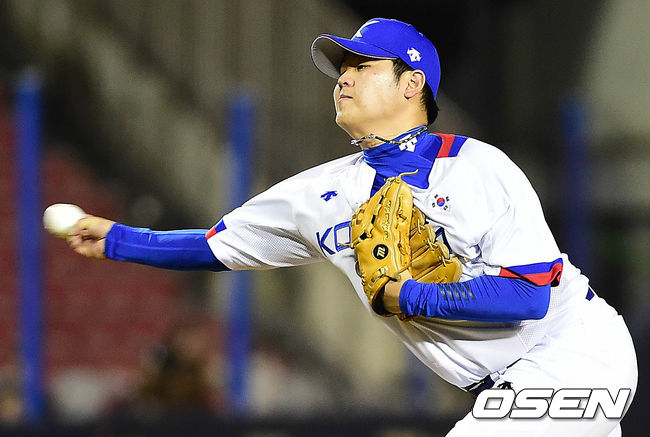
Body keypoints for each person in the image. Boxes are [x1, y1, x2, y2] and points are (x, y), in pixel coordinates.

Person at [67, 18, 637, 436]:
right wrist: (116, 240)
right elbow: (216, 247)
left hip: (571, 352)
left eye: (362, 66)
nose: (343, 79)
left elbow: (529, 296)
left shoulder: (478, 168)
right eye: (341, 70)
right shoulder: (319, 194)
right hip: (504, 384)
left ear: (412, 84)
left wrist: (408, 295)